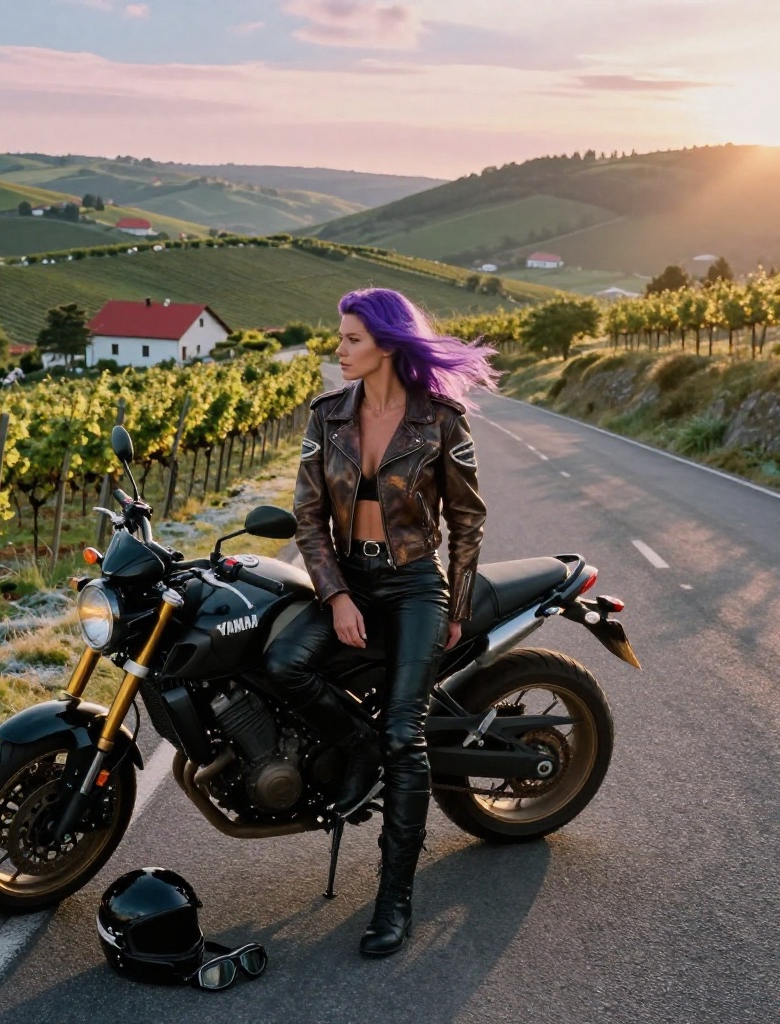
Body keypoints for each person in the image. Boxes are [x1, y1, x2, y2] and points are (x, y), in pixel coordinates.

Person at [263, 288, 496, 957]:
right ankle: (353, 745)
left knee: (404, 734)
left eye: (351, 339)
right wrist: (335, 596)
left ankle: (394, 901)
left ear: (388, 344)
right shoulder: (327, 416)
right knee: (284, 665)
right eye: (339, 338)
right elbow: (307, 517)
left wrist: (456, 607)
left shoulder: (442, 422)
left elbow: (468, 521)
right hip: (350, 580)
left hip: (416, 583)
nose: (338, 350)